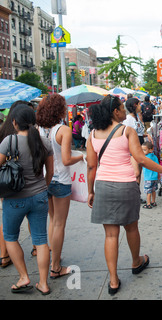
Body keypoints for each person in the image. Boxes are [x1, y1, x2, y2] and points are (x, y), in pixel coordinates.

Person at [86, 95, 162, 295]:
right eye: (121, 107)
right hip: (125, 185)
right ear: (115, 112)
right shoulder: (126, 131)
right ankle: (136, 262)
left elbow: (92, 166)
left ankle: (113, 281)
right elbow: (141, 159)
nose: (123, 110)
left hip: (102, 185)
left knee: (110, 234)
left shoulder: (93, 134)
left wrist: (90, 191)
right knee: (131, 228)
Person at [0, 104, 54, 295]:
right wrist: (43, 188)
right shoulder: (44, 142)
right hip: (39, 196)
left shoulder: (9, 142)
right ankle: (43, 283)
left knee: (10, 237)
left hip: (14, 198)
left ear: (14, 122)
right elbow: (50, 173)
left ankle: (23, 277)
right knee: (40, 240)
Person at [36, 94, 84, 280]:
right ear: (59, 109)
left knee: (53, 220)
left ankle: (53, 256)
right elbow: (66, 159)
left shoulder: (37, 129)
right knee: (59, 223)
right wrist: (81, 156)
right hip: (60, 180)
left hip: (44, 179)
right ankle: (56, 267)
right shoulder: (63, 129)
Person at [0, 100, 32, 267]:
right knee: (28, 219)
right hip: (23, 184)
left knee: (6, 220)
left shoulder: (3, 132)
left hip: (6, 183)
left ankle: (4, 255)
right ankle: (35, 247)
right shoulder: (28, 135)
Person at [141, 141, 159, 209]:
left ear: (151, 149)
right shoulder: (154, 157)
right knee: (153, 190)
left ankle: (148, 204)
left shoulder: (146, 158)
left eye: (144, 150)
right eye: (142, 150)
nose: (143, 151)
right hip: (154, 177)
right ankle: (153, 202)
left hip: (148, 178)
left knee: (148, 192)